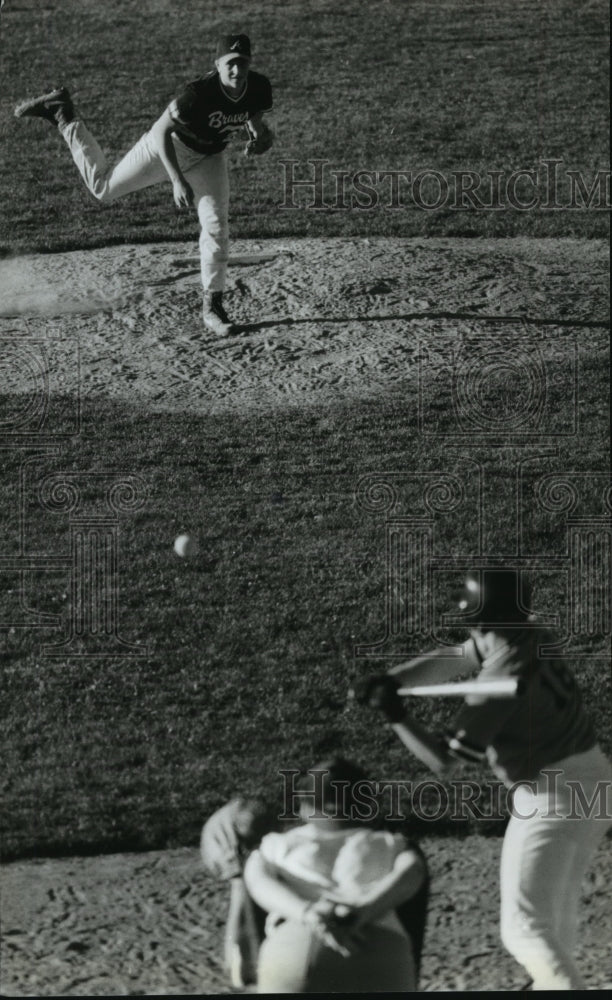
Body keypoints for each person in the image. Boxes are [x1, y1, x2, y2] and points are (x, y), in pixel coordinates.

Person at [359, 568, 612, 991]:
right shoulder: (531, 634)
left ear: (474, 618)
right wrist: (393, 681)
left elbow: (446, 761)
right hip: (596, 782)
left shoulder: (497, 686)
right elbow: (461, 656)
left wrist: (395, 716)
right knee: (554, 915)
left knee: (523, 927)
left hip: (554, 797)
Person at [14, 33, 274, 336]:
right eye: (230, 63)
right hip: (167, 147)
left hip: (209, 157)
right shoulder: (197, 94)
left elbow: (255, 123)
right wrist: (176, 179)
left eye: (242, 63)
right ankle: (63, 114)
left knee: (217, 225)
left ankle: (212, 307)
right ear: (217, 64)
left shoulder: (258, 87)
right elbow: (162, 130)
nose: (237, 70)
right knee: (103, 188)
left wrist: (261, 140)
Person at [243, 756, 428, 993]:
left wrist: (308, 913)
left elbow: (258, 883)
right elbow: (412, 874)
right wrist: (363, 909)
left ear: (305, 806)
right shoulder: (391, 844)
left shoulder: (277, 845)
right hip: (378, 944)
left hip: (295, 945)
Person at [200, 795, 277, 989]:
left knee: (260, 892)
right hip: (220, 849)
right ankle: (234, 961)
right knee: (241, 900)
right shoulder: (224, 845)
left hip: (238, 833)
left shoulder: (255, 813)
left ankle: (256, 948)